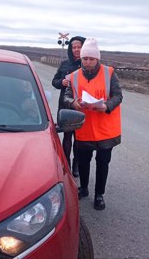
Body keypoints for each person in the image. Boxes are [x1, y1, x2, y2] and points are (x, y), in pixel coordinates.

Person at [63, 37, 123, 211]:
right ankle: (84, 188)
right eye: (85, 59)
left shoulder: (109, 73)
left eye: (91, 59)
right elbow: (66, 96)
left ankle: (99, 194)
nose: (88, 62)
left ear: (98, 59)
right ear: (81, 59)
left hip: (106, 130)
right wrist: (73, 102)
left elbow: (118, 96)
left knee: (103, 163)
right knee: (83, 162)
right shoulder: (73, 76)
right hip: (84, 128)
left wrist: (106, 106)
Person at [52, 35, 86, 177]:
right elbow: (55, 81)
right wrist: (62, 83)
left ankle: (76, 166)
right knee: (67, 136)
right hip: (65, 104)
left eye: (79, 47)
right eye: (74, 47)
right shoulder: (65, 64)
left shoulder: (87, 64)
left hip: (81, 105)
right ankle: (66, 164)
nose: (76, 50)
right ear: (70, 49)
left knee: (79, 139)